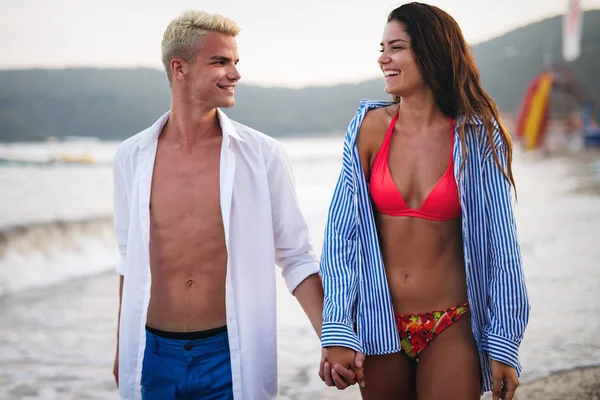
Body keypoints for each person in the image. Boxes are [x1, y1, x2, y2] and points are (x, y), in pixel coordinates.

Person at [319, 3, 530, 400]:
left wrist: (505, 342)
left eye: (396, 47)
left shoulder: (475, 137)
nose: (383, 58)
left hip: (451, 323)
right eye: (381, 48)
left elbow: (502, 244)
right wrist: (338, 326)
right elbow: (341, 238)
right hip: (379, 323)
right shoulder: (368, 129)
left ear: (431, 51)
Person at [112, 10, 324, 400]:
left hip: (231, 353)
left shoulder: (261, 155)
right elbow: (129, 257)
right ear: (180, 68)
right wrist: (121, 348)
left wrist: (332, 338)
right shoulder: (133, 157)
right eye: (220, 62)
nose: (235, 73)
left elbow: (296, 255)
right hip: (152, 355)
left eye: (235, 62)